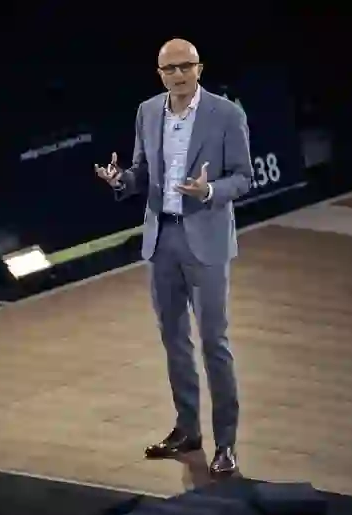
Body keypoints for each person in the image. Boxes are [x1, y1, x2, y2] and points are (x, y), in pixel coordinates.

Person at [94, 39, 252, 475]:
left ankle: (226, 444)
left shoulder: (226, 114)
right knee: (174, 340)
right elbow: (142, 173)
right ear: (159, 74)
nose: (179, 74)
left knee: (214, 343)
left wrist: (210, 190)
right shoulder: (147, 112)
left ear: (200, 68)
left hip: (206, 240)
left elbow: (243, 177)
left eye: (186, 66)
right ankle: (187, 429)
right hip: (162, 238)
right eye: (170, 69)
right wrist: (120, 180)